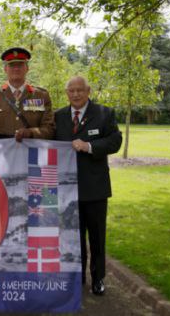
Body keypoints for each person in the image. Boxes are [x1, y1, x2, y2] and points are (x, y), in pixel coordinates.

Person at [54, 76, 122, 296]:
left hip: (95, 188)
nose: (75, 94)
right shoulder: (58, 117)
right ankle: (78, 276)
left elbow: (115, 141)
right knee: (74, 237)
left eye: (79, 90)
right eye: (71, 91)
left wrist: (89, 146)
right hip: (67, 190)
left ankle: (98, 278)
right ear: (67, 93)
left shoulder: (104, 113)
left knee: (96, 237)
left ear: (88, 91)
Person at [0, 47, 54, 141]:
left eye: (20, 64)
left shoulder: (41, 95)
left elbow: (50, 130)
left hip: (32, 151)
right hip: (4, 153)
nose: (16, 68)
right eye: (12, 65)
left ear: (27, 68)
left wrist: (30, 132)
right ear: (5, 69)